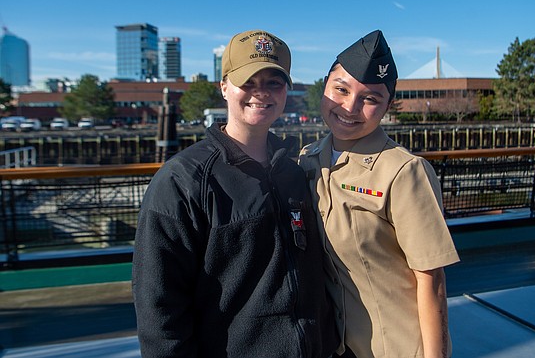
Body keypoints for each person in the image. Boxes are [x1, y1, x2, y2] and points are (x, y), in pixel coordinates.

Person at [132, 29, 339, 358]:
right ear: (224, 86)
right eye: (249, 81)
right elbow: (160, 311)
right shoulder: (183, 182)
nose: (261, 93)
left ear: (286, 91)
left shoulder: (295, 172)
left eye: (274, 82)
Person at [299, 30, 460, 358]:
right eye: (340, 90)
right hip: (337, 346)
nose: (350, 107)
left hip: (396, 348)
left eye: (370, 99)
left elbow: (432, 282)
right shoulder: (307, 159)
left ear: (387, 106)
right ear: (325, 87)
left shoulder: (403, 172)